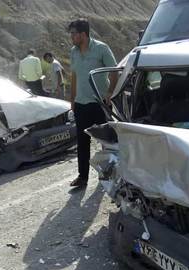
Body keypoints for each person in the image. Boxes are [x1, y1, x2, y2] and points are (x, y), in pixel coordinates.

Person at [68, 19, 118, 188]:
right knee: (82, 142)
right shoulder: (73, 52)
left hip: (99, 103)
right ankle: (83, 177)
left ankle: (109, 175)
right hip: (81, 104)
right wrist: (72, 100)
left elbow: (113, 71)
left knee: (107, 141)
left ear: (83, 34)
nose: (72, 37)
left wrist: (110, 92)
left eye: (74, 34)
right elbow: (74, 76)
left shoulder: (101, 49)